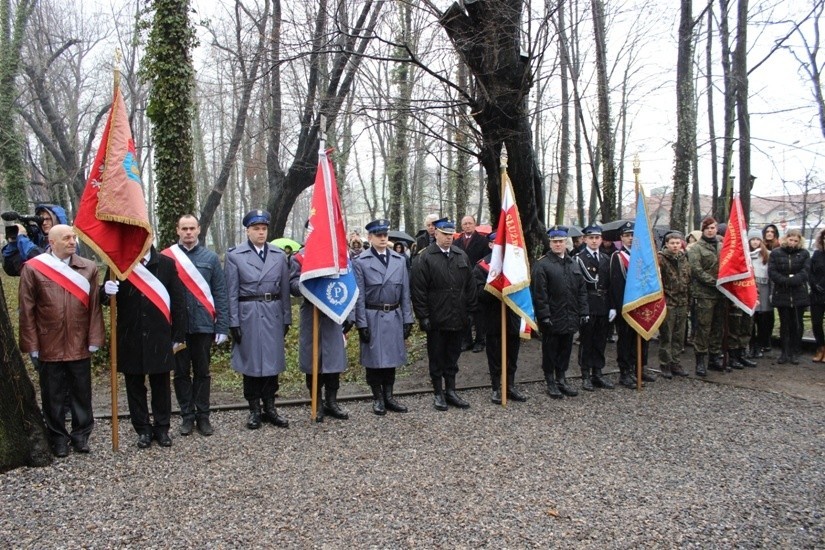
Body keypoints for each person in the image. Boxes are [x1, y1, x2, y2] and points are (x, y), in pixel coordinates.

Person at [18, 224, 104, 457]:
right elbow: (26, 310)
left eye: (74, 237)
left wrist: (95, 337)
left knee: (81, 392)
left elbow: (94, 307)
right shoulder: (34, 269)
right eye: (66, 238)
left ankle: (81, 435)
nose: (72, 241)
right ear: (52, 242)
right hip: (49, 343)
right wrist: (32, 345)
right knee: (52, 394)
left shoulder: (88, 268)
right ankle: (58, 437)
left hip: (79, 341)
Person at [102, 245, 187, 449]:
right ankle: (143, 430)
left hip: (159, 335)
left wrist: (178, 334)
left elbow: (178, 300)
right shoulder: (117, 264)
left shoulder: (166, 264)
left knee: (161, 385)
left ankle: (162, 428)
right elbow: (106, 300)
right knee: (134, 386)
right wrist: (104, 291)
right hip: (130, 335)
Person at [225, 209, 291, 429]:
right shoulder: (235, 256)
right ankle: (254, 409)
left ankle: (270, 407)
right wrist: (233, 322)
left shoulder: (279, 255)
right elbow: (231, 291)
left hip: (272, 311)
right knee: (251, 363)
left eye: (264, 229)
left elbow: (283, 290)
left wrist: (286, 318)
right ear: (248, 231)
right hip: (248, 313)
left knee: (272, 363)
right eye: (256, 229)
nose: (261, 233)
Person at [165, 214, 230, 437]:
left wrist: (222, 326)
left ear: (199, 230)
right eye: (184, 228)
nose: (189, 232)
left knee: (202, 372)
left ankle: (203, 416)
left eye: (192, 228)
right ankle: (186, 416)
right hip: (178, 328)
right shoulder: (167, 258)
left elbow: (220, 293)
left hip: (203, 325)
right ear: (178, 230)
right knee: (181, 373)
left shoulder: (210, 258)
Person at [411, 217, 478, 411]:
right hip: (436, 319)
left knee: (453, 356)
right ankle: (438, 393)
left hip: (458, 317)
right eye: (445, 234)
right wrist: (423, 316)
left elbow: (470, 285)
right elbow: (418, 290)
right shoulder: (424, 257)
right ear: (436, 234)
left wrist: (471, 311)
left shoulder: (460, 255)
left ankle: (451, 390)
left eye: (451, 235)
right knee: (437, 357)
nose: (449, 238)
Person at [353, 219, 415, 415]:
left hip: (394, 315)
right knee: (374, 361)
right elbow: (359, 295)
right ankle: (377, 398)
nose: (382, 238)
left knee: (391, 360)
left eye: (385, 235)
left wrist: (408, 319)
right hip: (373, 315)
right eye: (378, 235)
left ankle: (389, 396)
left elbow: (405, 293)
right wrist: (361, 323)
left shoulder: (399, 260)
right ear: (370, 238)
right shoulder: (360, 262)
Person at [289, 249, 352, 422]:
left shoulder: (337, 254)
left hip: (334, 311)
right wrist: (309, 283)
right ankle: (316, 402)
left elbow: (349, 283)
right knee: (312, 360)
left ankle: (332, 401)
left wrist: (350, 314)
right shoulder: (299, 258)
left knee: (334, 360)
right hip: (312, 313)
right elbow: (293, 286)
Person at [532, 226, 588, 398]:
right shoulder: (542, 264)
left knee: (565, 349)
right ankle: (550, 381)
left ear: (566, 242)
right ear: (550, 243)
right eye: (555, 242)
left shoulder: (573, 263)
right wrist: (544, 315)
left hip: (570, 315)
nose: (558, 245)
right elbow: (539, 293)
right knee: (550, 350)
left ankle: (561, 379)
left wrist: (584, 311)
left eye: (561, 242)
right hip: (553, 317)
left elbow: (581, 290)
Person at [474, 232, 528, 403]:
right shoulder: (482, 266)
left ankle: (510, 385)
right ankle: (497, 387)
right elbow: (478, 293)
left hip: (512, 316)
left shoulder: (515, 266)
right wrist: (497, 289)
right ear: (491, 245)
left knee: (512, 353)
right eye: (497, 244)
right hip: (493, 318)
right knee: (495, 355)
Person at [609, 222, 653, 387]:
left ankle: (639, 368)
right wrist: (616, 306)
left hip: (641, 305)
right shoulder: (618, 257)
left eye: (633, 235)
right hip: (625, 306)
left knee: (642, 337)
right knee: (625, 340)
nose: (630, 238)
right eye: (627, 235)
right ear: (621, 238)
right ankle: (625, 372)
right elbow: (615, 284)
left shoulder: (642, 257)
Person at [573, 224, 614, 391]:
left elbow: (611, 284)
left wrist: (612, 306)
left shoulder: (606, 258)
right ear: (585, 239)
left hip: (603, 304)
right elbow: (578, 286)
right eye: (591, 238)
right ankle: (585, 375)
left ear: (601, 239)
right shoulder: (579, 258)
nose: (594, 241)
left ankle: (598, 373)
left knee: (600, 341)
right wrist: (581, 309)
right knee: (587, 341)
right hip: (588, 303)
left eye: (597, 238)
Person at [687, 217, 726, 376]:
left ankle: (714, 357)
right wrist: (715, 282)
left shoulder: (723, 246)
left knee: (718, 326)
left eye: (714, 227)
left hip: (722, 293)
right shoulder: (696, 248)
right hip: (704, 293)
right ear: (703, 230)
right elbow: (696, 270)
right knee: (703, 327)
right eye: (708, 228)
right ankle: (700, 360)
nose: (711, 230)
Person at [768, 228, 810, 364]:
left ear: (799, 241)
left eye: (795, 241)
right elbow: (772, 272)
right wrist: (785, 280)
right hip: (782, 293)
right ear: (786, 239)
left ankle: (794, 352)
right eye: (790, 240)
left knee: (796, 324)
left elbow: (805, 272)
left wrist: (793, 280)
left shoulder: (804, 254)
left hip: (799, 293)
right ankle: (784, 352)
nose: (792, 243)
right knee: (784, 324)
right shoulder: (776, 253)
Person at [657, 231, 691, 378]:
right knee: (667, 335)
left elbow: (688, 279)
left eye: (678, 243)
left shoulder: (684, 258)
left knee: (679, 335)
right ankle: (665, 364)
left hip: (682, 302)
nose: (675, 246)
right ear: (667, 244)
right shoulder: (661, 259)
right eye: (672, 243)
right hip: (668, 302)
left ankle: (675, 362)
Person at [455, 215, 489, 353]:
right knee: (463, 311)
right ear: (461, 226)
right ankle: (466, 340)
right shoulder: (456, 243)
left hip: (477, 281)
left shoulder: (483, 241)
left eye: (470, 223)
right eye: (465, 224)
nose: (467, 226)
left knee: (479, 312)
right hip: (462, 282)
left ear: (475, 224)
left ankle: (480, 340)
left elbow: (487, 262)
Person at [3, 204, 67, 276]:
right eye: (41, 220)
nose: (44, 223)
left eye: (48, 219)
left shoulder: (67, 240)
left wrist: (22, 238)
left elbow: (43, 261)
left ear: (57, 220)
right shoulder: (38, 240)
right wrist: (13, 244)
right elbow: (12, 270)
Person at [749, 230, 771, 358]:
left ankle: (760, 345)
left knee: (763, 321)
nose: (755, 242)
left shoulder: (768, 255)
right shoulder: (745, 255)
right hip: (750, 288)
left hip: (764, 288)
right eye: (752, 239)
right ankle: (751, 345)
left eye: (757, 239)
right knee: (751, 319)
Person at [809, 229, 825, 362]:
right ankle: (820, 347)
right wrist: (815, 286)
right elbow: (811, 272)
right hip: (817, 294)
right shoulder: (817, 254)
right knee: (816, 322)